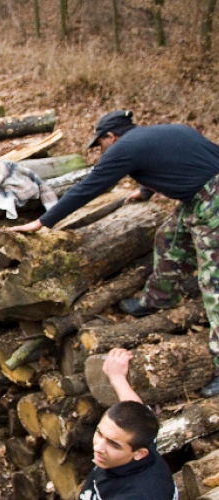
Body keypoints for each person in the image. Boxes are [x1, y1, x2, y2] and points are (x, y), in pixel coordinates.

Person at [11, 110, 219, 398]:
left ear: (112, 136)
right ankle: (160, 297)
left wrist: (44, 221)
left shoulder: (125, 147)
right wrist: (145, 192)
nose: (101, 150)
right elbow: (176, 161)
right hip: (202, 193)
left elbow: (90, 187)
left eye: (100, 144)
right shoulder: (159, 133)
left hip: (212, 199)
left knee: (214, 284)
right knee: (169, 237)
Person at [78, 348, 178, 499]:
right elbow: (134, 408)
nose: (98, 448)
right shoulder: (140, 435)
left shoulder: (138, 495)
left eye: (114, 444)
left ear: (139, 453)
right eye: (99, 433)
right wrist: (117, 377)